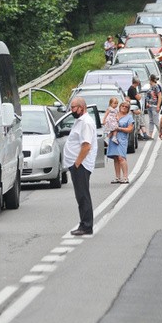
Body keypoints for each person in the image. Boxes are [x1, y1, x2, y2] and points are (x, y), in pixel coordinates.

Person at [62, 97, 98, 236]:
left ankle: (86, 226)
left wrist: (77, 163)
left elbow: (86, 145)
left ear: (82, 107)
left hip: (81, 165)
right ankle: (83, 223)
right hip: (77, 164)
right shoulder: (80, 121)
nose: (72, 111)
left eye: (73, 108)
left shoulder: (86, 123)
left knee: (83, 195)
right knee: (80, 195)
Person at [106, 102, 134, 184]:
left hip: (122, 139)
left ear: (128, 109)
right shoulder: (115, 114)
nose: (124, 107)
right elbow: (108, 121)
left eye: (126, 107)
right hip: (113, 138)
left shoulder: (129, 117)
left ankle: (125, 177)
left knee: (121, 157)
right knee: (116, 158)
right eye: (123, 106)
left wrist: (120, 128)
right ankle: (117, 177)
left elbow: (130, 129)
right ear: (120, 106)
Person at [146, 74, 162, 139]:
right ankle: (150, 135)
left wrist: (158, 106)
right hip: (149, 106)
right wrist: (147, 103)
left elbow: (160, 96)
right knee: (151, 121)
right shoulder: (150, 87)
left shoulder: (156, 86)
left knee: (156, 121)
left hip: (154, 106)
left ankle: (161, 134)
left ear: (151, 79)